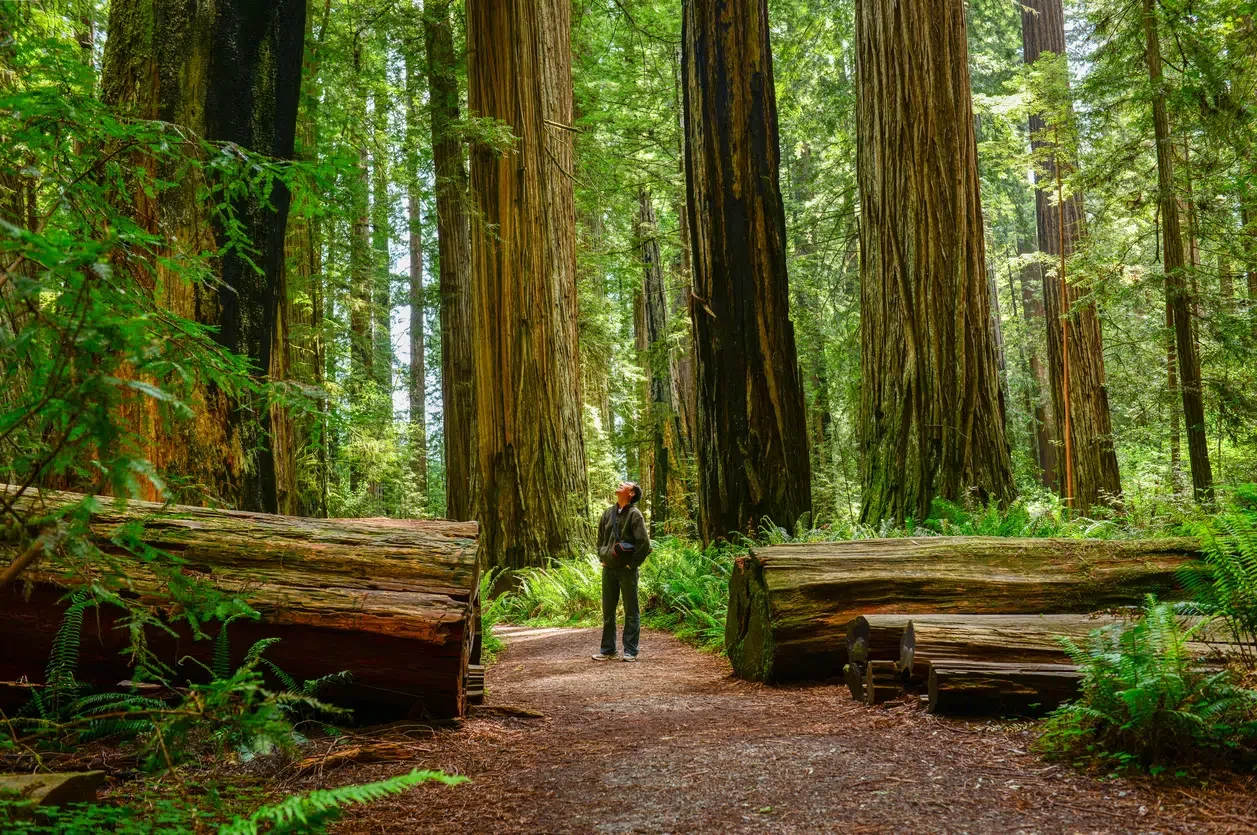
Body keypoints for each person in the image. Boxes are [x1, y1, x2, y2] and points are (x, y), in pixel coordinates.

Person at [591, 481, 652, 662]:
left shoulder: (635, 515)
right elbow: (601, 538)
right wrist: (602, 557)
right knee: (608, 611)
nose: (619, 484)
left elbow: (644, 544)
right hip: (608, 569)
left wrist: (631, 564)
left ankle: (630, 651)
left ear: (631, 493)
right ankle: (608, 650)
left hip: (627, 571)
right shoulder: (608, 513)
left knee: (631, 610)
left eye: (625, 484)